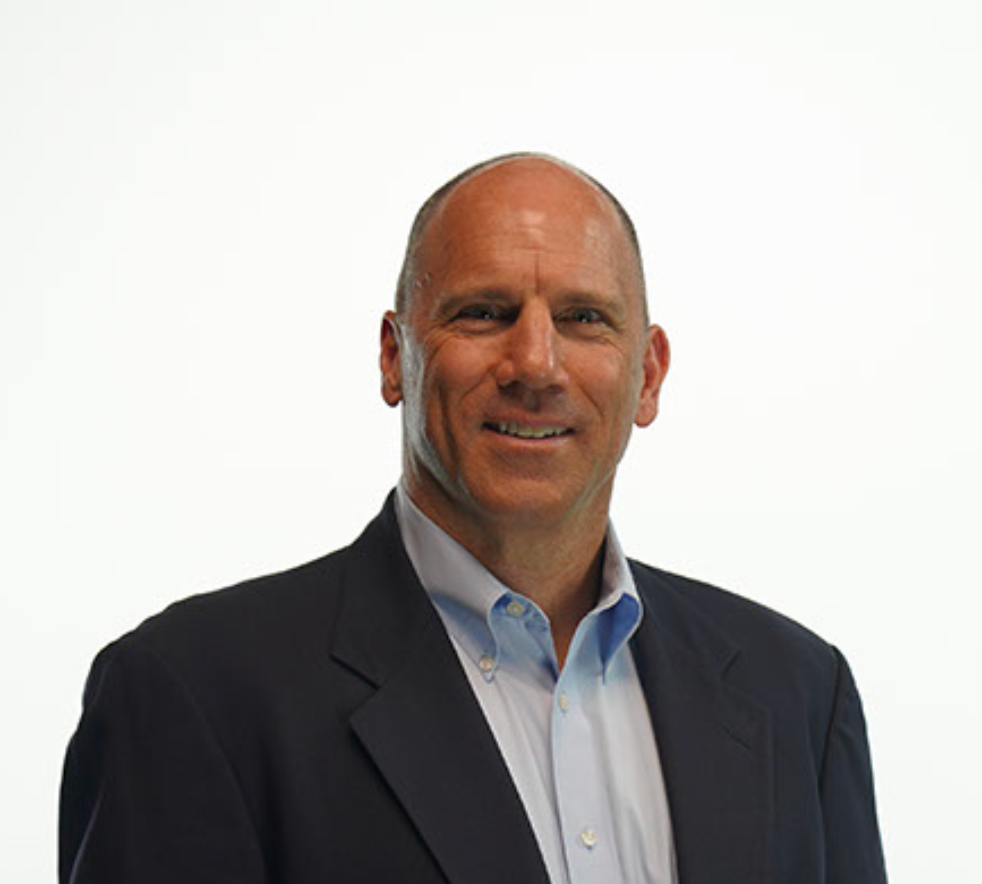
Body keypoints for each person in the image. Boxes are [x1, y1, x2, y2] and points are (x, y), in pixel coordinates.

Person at [59, 153, 888, 883]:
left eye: (584, 318)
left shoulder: (798, 695)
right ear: (395, 356)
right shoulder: (194, 695)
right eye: (484, 312)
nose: (536, 362)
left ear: (649, 375)